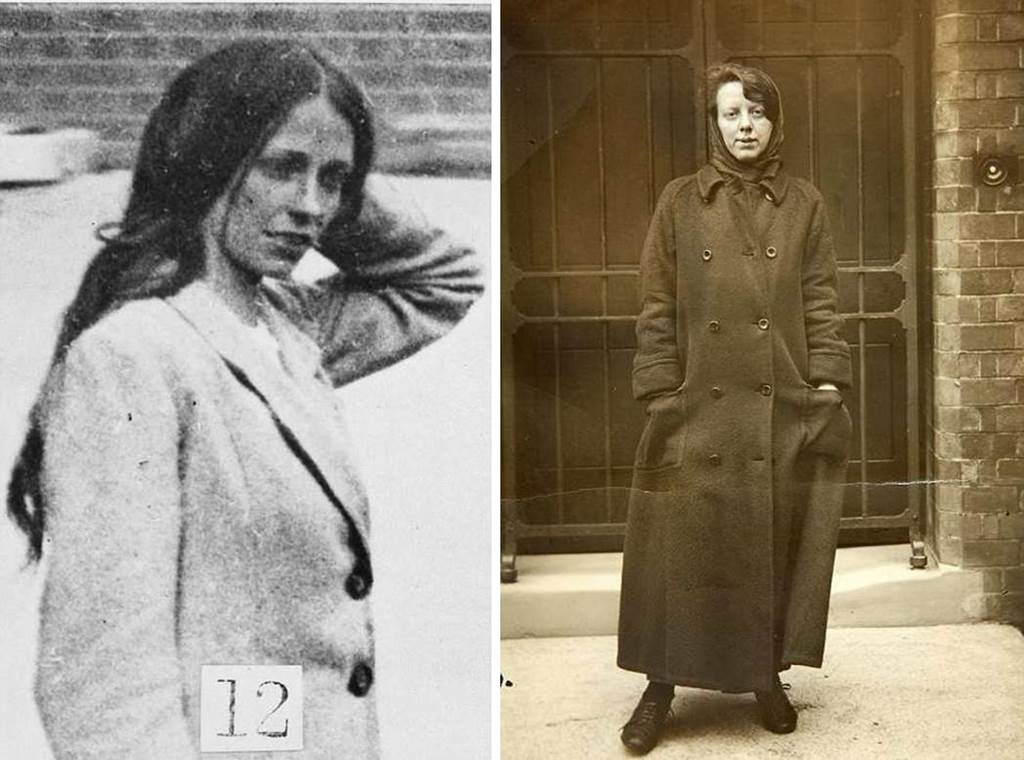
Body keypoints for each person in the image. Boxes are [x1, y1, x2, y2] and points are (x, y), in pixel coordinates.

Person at [6, 40, 482, 759]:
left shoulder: (289, 327)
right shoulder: (134, 355)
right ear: (207, 160)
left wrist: (326, 175)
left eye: (334, 181)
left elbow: (443, 280)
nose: (311, 206)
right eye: (282, 167)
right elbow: (106, 681)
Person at [617, 63, 852, 754]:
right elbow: (656, 304)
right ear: (714, 124)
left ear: (775, 121)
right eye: (731, 114)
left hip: (775, 401)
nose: (744, 126)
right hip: (696, 401)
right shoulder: (680, 202)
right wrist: (661, 388)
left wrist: (828, 379)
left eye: (756, 112)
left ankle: (763, 677)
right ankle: (660, 685)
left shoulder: (804, 203)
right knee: (676, 548)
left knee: (765, 539)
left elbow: (820, 299)